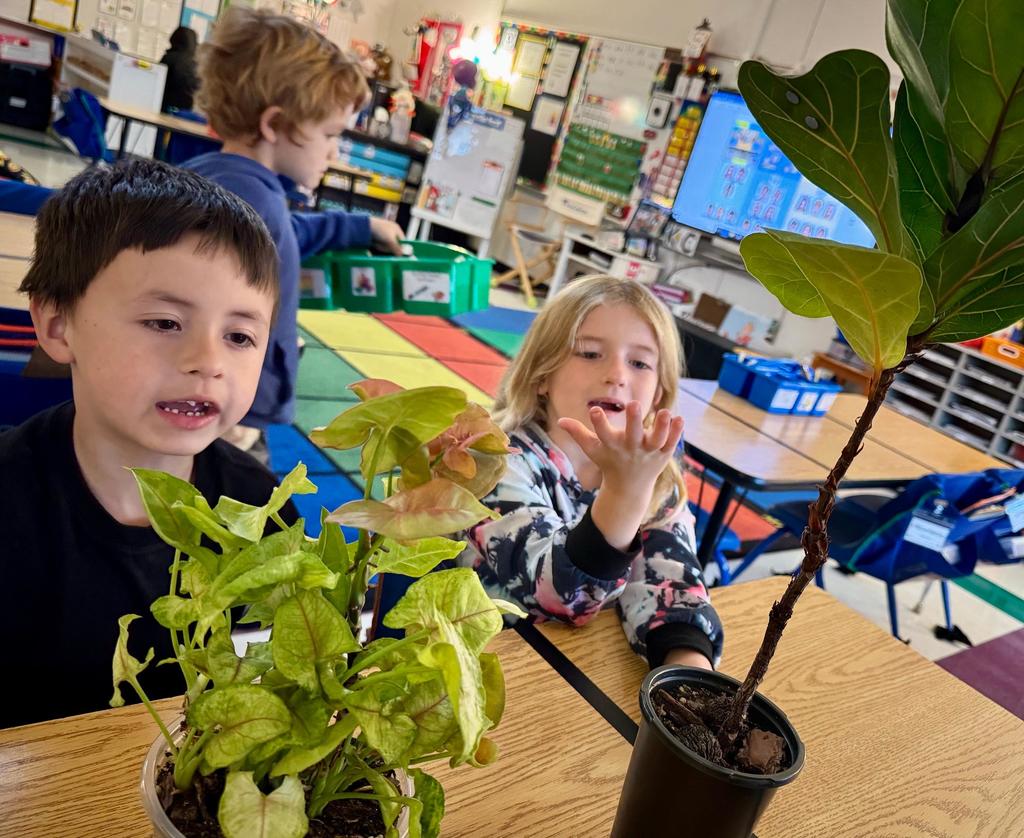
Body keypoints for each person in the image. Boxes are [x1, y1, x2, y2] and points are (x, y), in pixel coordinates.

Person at [0, 159, 297, 728]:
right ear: (58, 324)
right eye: (164, 323)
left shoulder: (260, 506)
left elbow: (259, 673)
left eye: (239, 336)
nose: (207, 362)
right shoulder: (9, 501)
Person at [458, 276, 723, 670]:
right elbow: (561, 595)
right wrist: (625, 491)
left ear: (658, 392)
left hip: (583, 671)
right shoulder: (495, 461)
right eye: (589, 353)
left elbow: (669, 582)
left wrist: (689, 668)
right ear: (542, 373)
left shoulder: (656, 478)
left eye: (639, 362)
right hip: (490, 670)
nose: (617, 374)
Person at [184, 8, 404, 462]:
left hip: (229, 409)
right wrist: (236, 419)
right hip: (229, 420)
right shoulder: (252, 201)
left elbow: (288, 233)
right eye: (329, 133)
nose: (334, 150)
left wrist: (363, 225)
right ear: (275, 125)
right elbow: (215, 319)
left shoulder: (230, 184)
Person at [159, 26, 199, 113]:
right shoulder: (197, 63)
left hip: (165, 107)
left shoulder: (169, 58)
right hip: (188, 111)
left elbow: (158, 83)